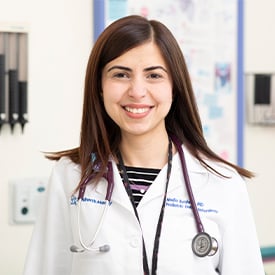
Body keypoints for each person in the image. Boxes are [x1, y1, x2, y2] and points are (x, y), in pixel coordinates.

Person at [23, 15, 265, 275]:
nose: (137, 91)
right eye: (120, 74)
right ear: (100, 87)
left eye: (153, 75)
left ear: (174, 87)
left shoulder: (223, 184)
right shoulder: (71, 175)